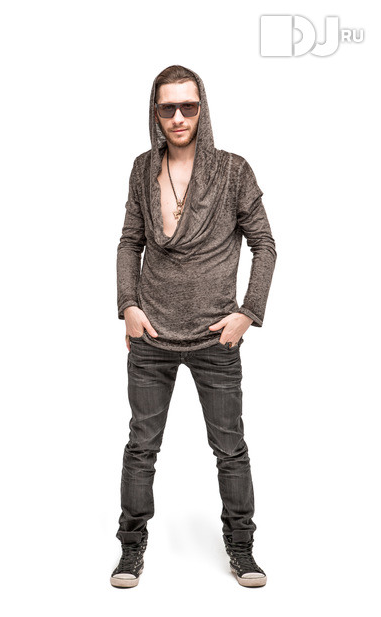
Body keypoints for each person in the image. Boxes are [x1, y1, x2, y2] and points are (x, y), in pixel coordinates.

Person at [110, 65, 277, 588]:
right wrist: (128, 305)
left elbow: (265, 245)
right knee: (141, 447)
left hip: (215, 337)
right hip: (151, 336)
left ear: (202, 108)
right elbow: (129, 242)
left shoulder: (232, 170)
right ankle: (130, 549)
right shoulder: (142, 169)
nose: (179, 117)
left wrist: (248, 313)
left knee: (230, 448)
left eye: (188, 106)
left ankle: (242, 548)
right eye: (168, 108)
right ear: (155, 112)